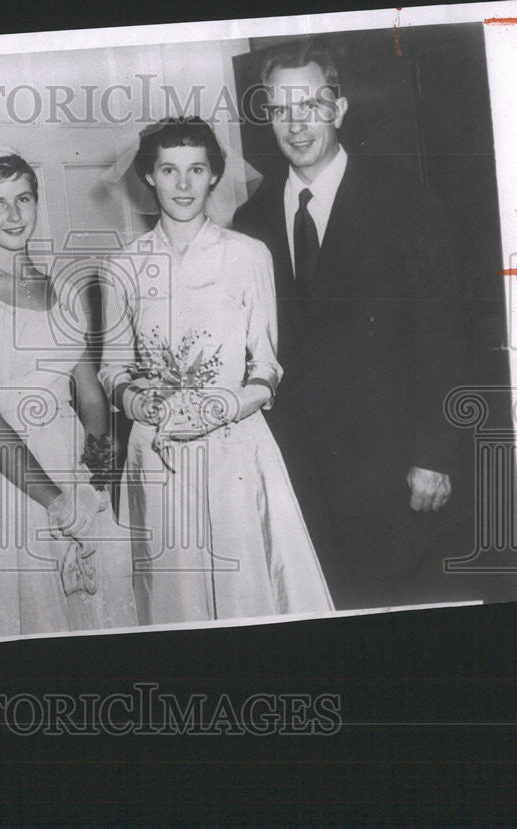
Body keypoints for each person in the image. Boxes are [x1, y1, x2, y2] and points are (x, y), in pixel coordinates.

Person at [231, 41, 472, 609]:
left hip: (395, 475)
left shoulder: (407, 202)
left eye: (311, 105)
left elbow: (445, 336)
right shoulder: (250, 222)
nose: (296, 124)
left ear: (339, 110)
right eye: (280, 108)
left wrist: (436, 454)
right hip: (301, 479)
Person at [99, 117, 333, 625]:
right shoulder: (122, 267)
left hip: (234, 449)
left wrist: (224, 406)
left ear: (212, 176)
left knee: (246, 586)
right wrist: (138, 401)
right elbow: (111, 368)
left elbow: (267, 365)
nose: (182, 184)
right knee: (172, 597)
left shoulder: (249, 255)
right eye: (168, 170)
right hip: (157, 454)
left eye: (196, 169)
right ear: (149, 177)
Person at [0, 145, 137, 637]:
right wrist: (58, 502)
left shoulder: (63, 290)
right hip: (17, 480)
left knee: (101, 608)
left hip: (76, 466)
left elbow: (89, 393)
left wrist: (93, 480)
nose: (13, 214)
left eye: (23, 199)